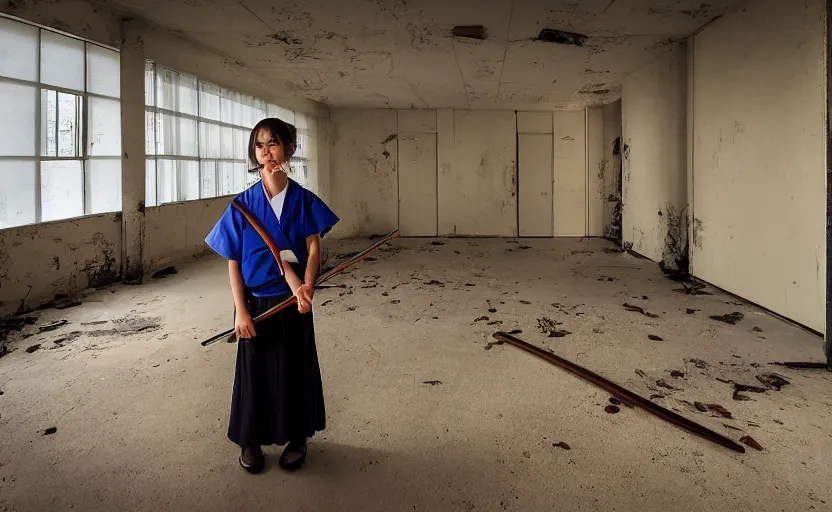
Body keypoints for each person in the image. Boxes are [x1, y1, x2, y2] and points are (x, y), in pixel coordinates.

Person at [204, 117, 339, 474]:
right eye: (259, 145)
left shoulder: (304, 200)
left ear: (290, 149)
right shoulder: (243, 204)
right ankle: (251, 439)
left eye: (273, 144)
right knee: (254, 372)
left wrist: (307, 285)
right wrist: (239, 313)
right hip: (256, 302)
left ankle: (298, 437)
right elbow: (233, 261)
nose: (266, 152)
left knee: (296, 369)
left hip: (295, 300)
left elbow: (313, 249)